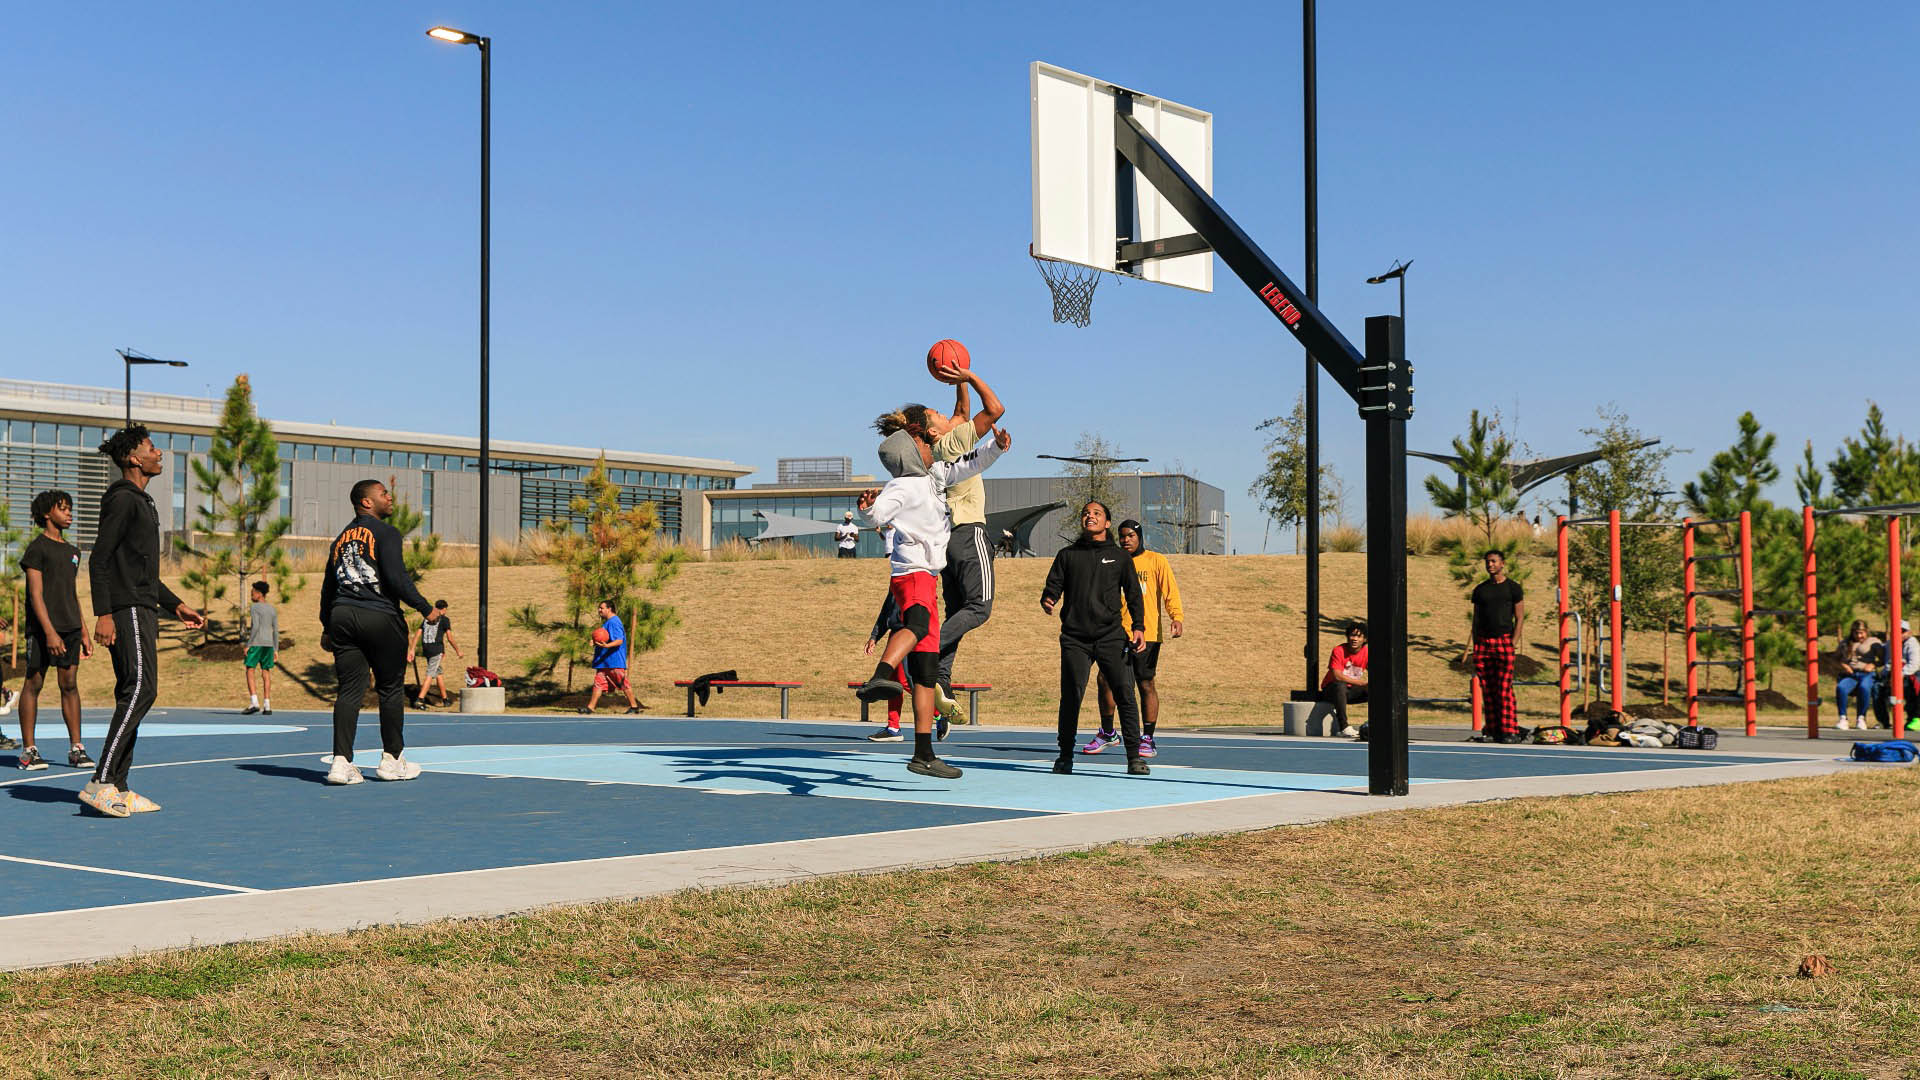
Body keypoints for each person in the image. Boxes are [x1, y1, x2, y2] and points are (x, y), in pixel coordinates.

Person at [853, 396, 1009, 779]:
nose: (932, 450)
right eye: (926, 446)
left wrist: (996, 448)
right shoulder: (903, 485)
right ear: (911, 449)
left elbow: (970, 465)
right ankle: (884, 673)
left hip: (930, 577)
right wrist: (867, 506)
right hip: (912, 575)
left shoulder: (935, 476)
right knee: (918, 626)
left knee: (925, 677)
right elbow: (876, 514)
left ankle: (923, 753)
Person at [82, 426, 207, 817]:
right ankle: (101, 781)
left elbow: (144, 573)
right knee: (141, 689)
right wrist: (103, 613)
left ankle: (119, 785)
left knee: (135, 692)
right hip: (127, 610)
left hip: (143, 605)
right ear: (135, 459)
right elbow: (99, 559)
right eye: (152, 448)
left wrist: (177, 606)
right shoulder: (123, 500)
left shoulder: (142, 502)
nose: (159, 453)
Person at [320, 478, 434, 786]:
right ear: (367, 502)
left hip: (342, 616)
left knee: (349, 691)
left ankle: (341, 763)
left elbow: (328, 586)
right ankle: (391, 760)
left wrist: (326, 626)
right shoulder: (385, 533)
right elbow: (397, 579)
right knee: (390, 689)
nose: (390, 497)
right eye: (384, 494)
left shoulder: (341, 539)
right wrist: (426, 608)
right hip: (379, 615)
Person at [1043, 500, 1149, 777]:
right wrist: (1049, 598)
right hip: (1075, 639)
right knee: (1071, 697)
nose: (1090, 516)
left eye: (1096, 513)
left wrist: (1138, 626)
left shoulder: (1120, 556)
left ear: (1107, 523)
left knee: (1126, 694)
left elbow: (1134, 594)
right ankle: (1065, 755)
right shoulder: (1067, 555)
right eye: (1086, 513)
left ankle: (1134, 758)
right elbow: (1054, 583)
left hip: (1111, 637)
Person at [929, 364, 1007, 731]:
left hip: (946, 544)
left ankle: (940, 684)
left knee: (957, 613)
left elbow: (961, 412)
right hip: (968, 533)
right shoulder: (950, 443)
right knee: (980, 608)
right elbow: (994, 410)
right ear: (933, 431)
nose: (949, 414)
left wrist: (956, 378)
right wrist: (971, 375)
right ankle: (923, 649)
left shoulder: (937, 449)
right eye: (938, 416)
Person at [1090, 519, 1185, 757]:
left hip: (1148, 632)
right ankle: (1108, 733)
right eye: (1122, 536)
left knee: (1145, 684)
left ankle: (1148, 738)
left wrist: (1177, 617)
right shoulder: (1112, 561)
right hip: (1114, 632)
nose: (1126, 540)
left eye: (1131, 535)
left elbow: (1170, 591)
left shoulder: (1156, 561)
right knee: (1104, 679)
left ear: (1139, 537)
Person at [16, 490, 94, 771]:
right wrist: (49, 633)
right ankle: (29, 751)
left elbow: (70, 593)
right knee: (33, 683)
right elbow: (36, 595)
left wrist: (83, 630)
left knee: (70, 685)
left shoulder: (73, 552)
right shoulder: (36, 549)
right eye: (63, 508)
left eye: (70, 508)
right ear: (47, 513)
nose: (69, 513)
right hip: (42, 631)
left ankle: (77, 748)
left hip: (70, 628)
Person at [1468, 549, 1525, 744]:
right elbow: (1476, 620)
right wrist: (1476, 645)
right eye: (1487, 562)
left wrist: (1513, 642)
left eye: (1493, 561)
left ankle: (1510, 730)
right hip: (1483, 643)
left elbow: (1519, 617)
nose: (1490, 565)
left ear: (1502, 564)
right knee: (1488, 689)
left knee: (1504, 688)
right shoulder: (1480, 590)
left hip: (1504, 641)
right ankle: (1492, 729)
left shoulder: (1513, 588)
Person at [862, 594, 910, 742]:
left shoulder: (916, 575)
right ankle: (893, 728)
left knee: (906, 681)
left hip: (908, 634)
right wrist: (874, 636)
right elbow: (886, 610)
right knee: (893, 681)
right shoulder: (896, 579)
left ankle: (940, 712)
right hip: (896, 634)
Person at [581, 599, 641, 714]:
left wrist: (607, 645)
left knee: (623, 684)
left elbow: (619, 640)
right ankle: (590, 708)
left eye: (601, 608)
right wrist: (595, 641)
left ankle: (634, 706)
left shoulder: (614, 622)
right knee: (598, 684)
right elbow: (605, 638)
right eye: (599, 608)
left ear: (609, 609)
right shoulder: (608, 622)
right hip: (605, 662)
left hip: (614, 661)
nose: (599, 610)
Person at [408, 599, 463, 708]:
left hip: (427, 649)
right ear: (444, 609)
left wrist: (412, 649)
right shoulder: (445, 620)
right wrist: (458, 650)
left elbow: (417, 635)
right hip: (436, 650)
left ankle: (445, 699)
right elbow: (450, 638)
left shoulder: (426, 618)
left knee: (438, 673)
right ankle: (419, 700)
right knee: (430, 674)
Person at [1319, 622, 1369, 739]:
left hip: (1350, 691)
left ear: (1364, 639)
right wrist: (1363, 683)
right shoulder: (1339, 650)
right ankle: (1344, 727)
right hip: (1331, 690)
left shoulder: (1367, 653)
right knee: (1340, 685)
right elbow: (1337, 676)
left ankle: (1375, 725)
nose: (1355, 639)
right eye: (1352, 635)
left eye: (1359, 636)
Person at [241, 581, 278, 715]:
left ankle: (254, 702)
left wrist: (248, 644)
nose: (251, 595)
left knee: (250, 670)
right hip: (269, 644)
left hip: (256, 643)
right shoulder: (272, 609)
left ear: (259, 594)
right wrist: (276, 649)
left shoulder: (255, 607)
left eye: (252, 593)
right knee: (266, 672)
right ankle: (267, 705)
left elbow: (255, 627)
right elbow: (276, 630)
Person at [1833, 620, 1877, 731]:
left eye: (1861, 632)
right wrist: (1844, 666)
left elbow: (1883, 659)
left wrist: (1873, 664)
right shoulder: (1845, 643)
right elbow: (1836, 658)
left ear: (1866, 632)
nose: (1859, 636)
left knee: (1864, 688)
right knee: (1841, 688)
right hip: (1851, 674)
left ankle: (1861, 718)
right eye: (1856, 633)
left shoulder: (1873, 642)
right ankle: (1843, 718)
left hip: (1867, 674)